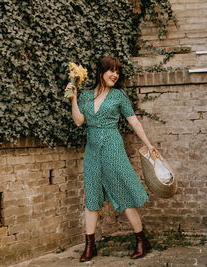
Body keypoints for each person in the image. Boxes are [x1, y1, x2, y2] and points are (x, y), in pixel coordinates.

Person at [65, 56, 159, 262]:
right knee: (92, 196)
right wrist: (73, 97)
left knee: (123, 192)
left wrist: (149, 144)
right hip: (92, 152)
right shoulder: (86, 95)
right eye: (111, 70)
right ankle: (90, 245)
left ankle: (142, 240)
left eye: (118, 71)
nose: (115, 74)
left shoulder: (119, 96)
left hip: (112, 148)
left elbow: (133, 121)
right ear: (101, 72)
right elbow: (79, 121)